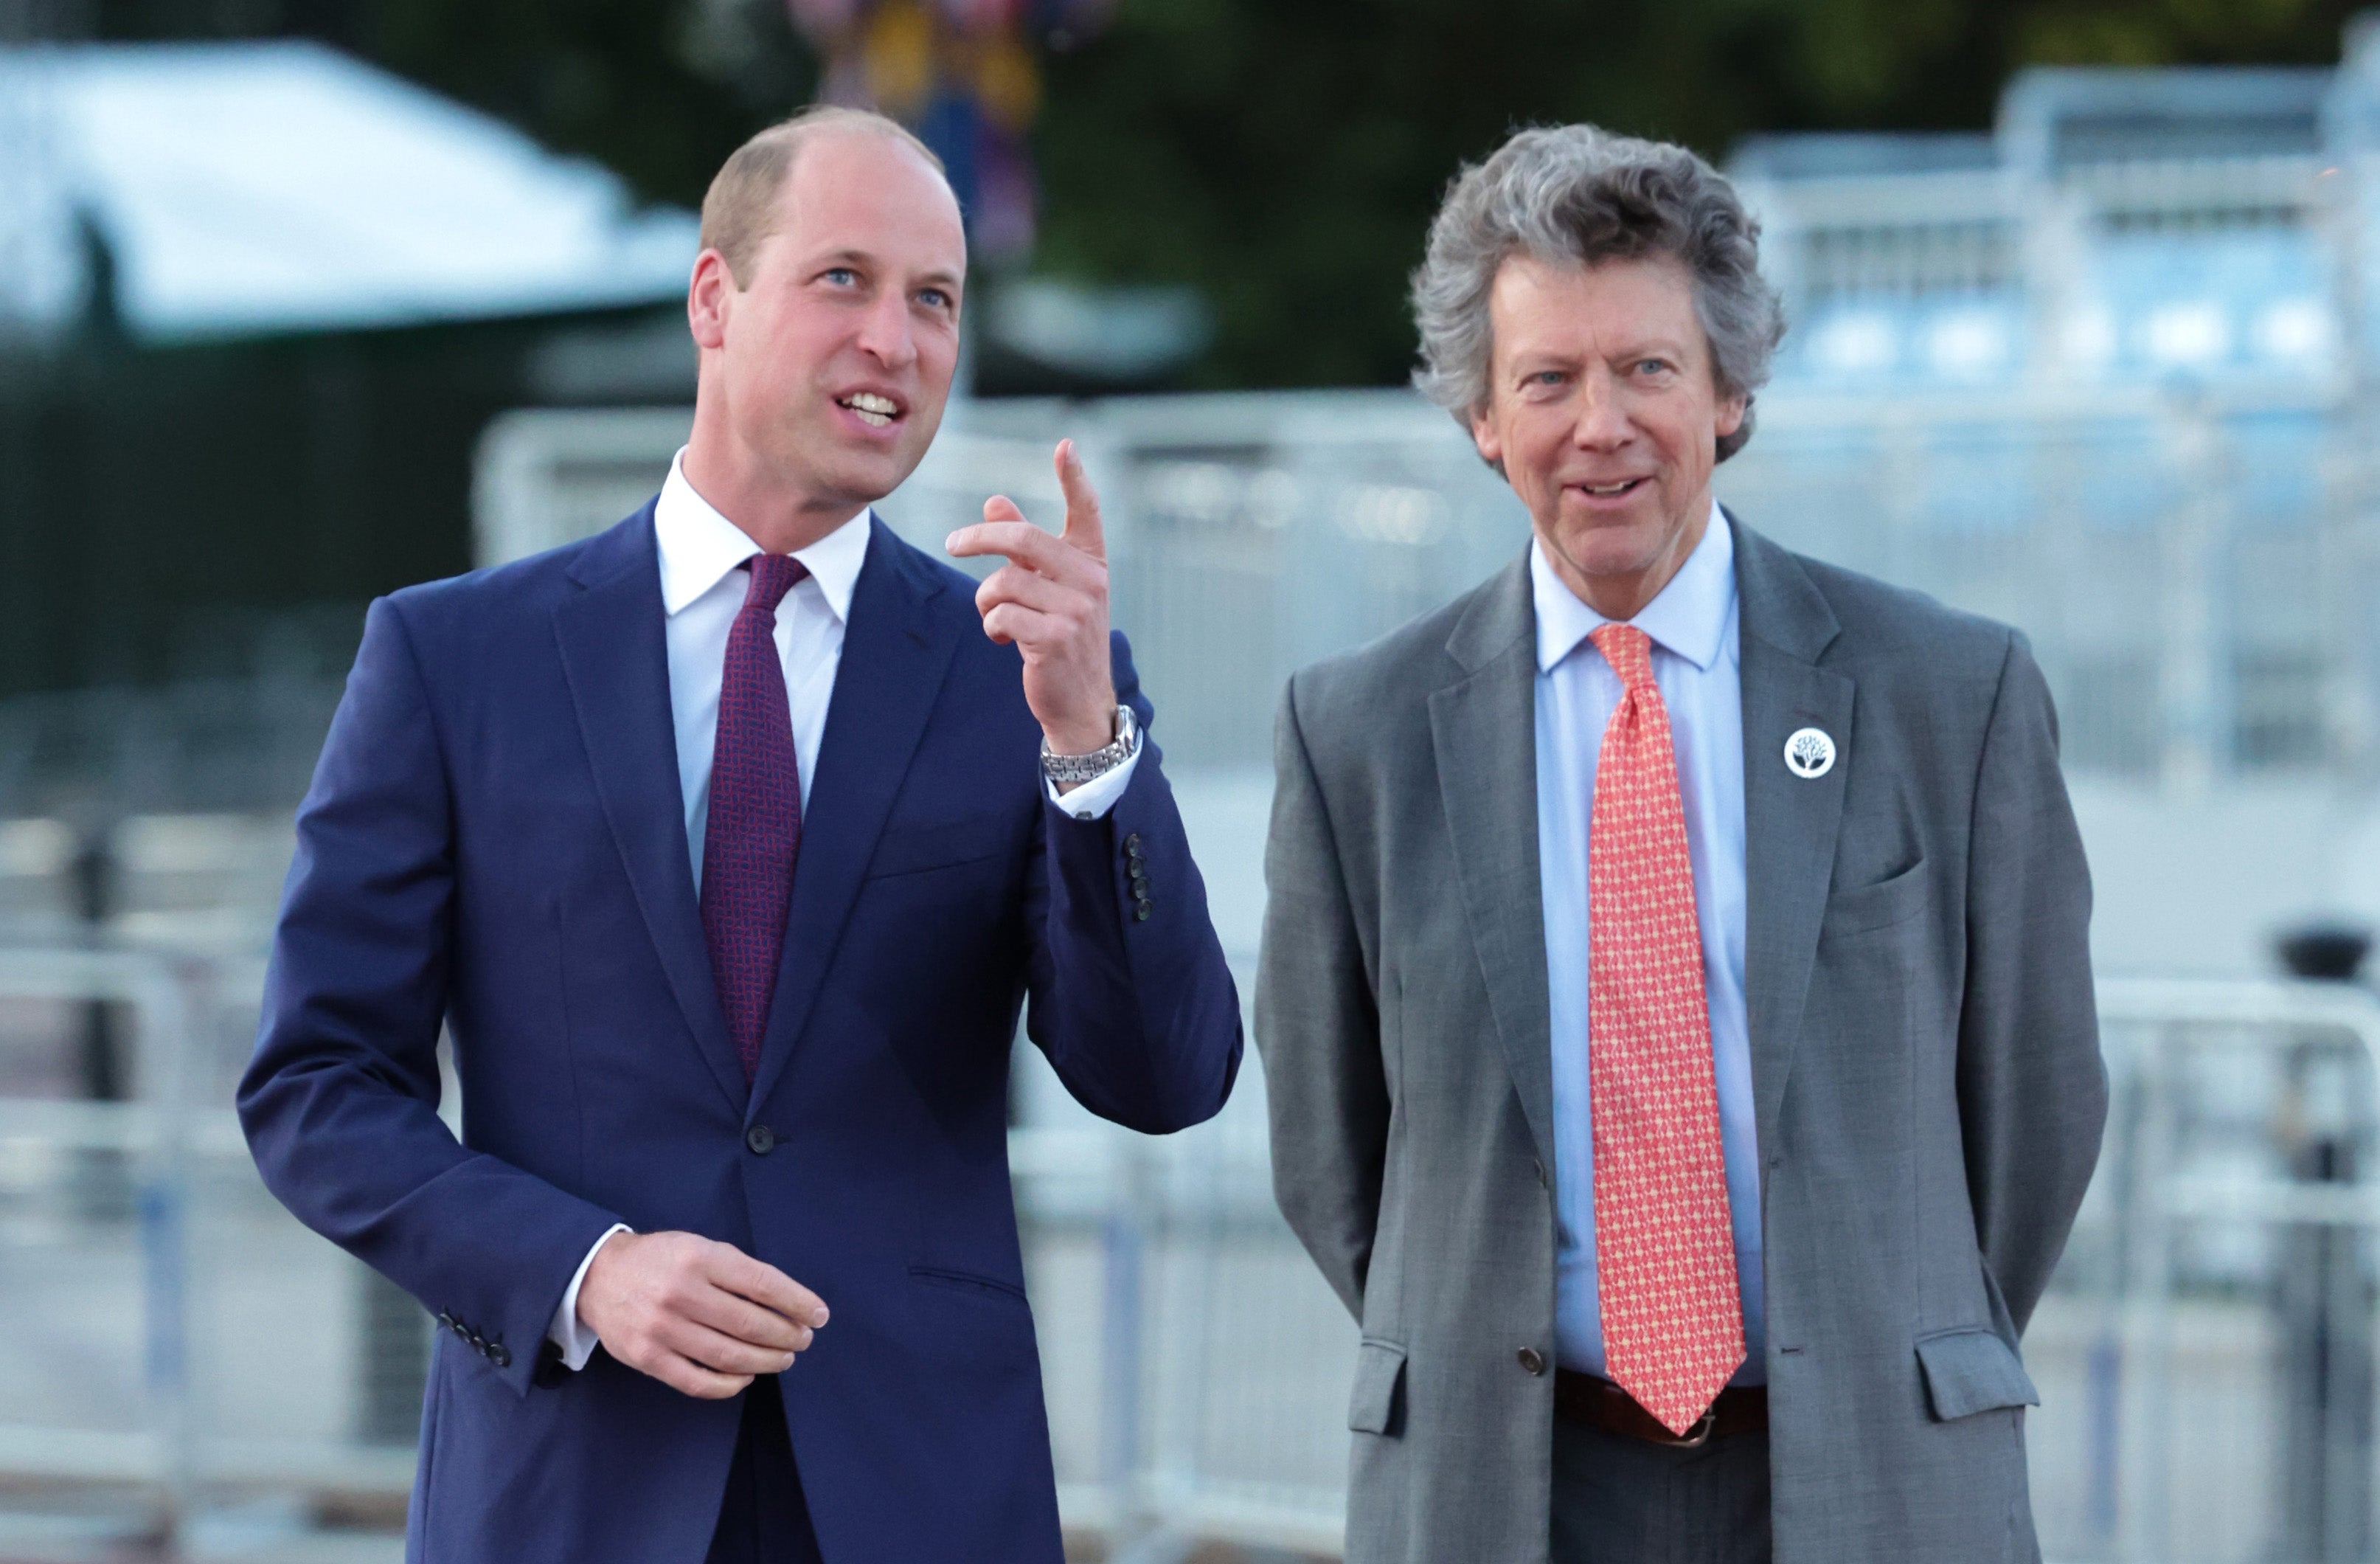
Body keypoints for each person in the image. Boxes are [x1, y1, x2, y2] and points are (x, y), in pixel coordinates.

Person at [238, 105, 1242, 1564]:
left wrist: (1092, 749)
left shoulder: (1022, 673)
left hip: (918, 1495)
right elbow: (317, 1085)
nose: (896, 341)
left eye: (936, 300)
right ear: (715, 298)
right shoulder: (456, 663)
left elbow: (1165, 1077)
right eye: (845, 279)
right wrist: (581, 1272)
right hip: (571, 1485)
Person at [1255, 123, 2106, 1564]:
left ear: (1726, 391)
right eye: (1549, 379)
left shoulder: (1948, 696)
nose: (1603, 425)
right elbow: (1335, 1158)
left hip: (1871, 1486)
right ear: (1480, 415)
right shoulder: (1362, 733)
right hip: (1510, 1493)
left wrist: (1892, 1342)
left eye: (1647, 368)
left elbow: (2035, 1108)